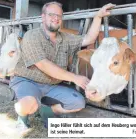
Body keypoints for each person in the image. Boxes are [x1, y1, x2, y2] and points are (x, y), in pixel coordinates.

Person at [9, 1, 115, 135]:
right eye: (51, 14)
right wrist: (75, 78)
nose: (56, 18)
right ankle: (22, 118)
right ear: (43, 17)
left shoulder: (66, 38)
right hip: (28, 81)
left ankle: (47, 111)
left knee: (78, 103)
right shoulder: (32, 36)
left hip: (52, 85)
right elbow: (43, 65)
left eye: (59, 16)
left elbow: (89, 39)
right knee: (29, 104)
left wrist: (98, 17)